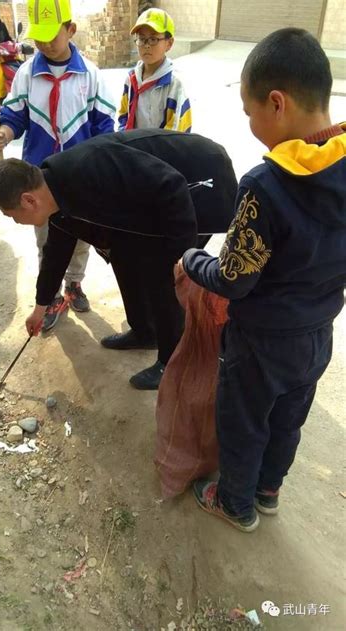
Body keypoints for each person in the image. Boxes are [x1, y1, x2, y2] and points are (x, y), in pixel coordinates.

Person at [179, 28, 346, 532]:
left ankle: (235, 503)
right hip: (318, 333)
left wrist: (191, 260)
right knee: (288, 419)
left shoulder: (265, 186)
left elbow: (234, 280)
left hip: (260, 342)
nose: (250, 123)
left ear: (277, 103)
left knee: (245, 422)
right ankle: (268, 490)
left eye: (250, 112)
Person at [0, 129, 238, 389]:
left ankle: (172, 360)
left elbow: (171, 185)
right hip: (154, 202)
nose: (16, 222)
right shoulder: (55, 195)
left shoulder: (88, 169)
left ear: (28, 200)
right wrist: (41, 305)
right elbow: (56, 253)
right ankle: (144, 331)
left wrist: (181, 258)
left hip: (201, 180)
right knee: (124, 257)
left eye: (12, 215)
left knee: (161, 273)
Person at [0, 0, 116, 332]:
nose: (44, 44)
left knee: (80, 237)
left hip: (81, 178)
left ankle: (74, 282)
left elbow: (104, 127)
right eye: (38, 38)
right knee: (46, 238)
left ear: (71, 30)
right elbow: (15, 115)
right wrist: (4, 132)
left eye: (52, 36)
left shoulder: (91, 74)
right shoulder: (27, 74)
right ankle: (53, 293)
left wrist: (99, 171)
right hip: (39, 179)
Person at [118, 8, 191, 134]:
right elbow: (123, 115)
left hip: (160, 151)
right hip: (133, 147)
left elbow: (176, 132)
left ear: (169, 43)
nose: (146, 45)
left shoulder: (174, 85)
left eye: (153, 39)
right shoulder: (131, 79)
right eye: (142, 39)